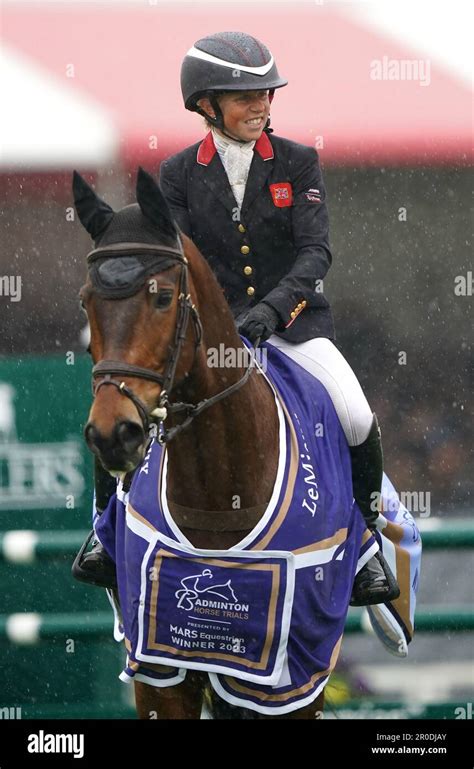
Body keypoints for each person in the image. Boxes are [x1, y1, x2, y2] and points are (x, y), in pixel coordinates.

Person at [75, 31, 399, 606]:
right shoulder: (176, 175)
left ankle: (367, 543)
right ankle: (104, 533)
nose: (262, 106)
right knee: (128, 402)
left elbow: (314, 254)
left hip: (294, 326)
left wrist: (272, 311)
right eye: (246, 97)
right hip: (208, 332)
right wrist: (219, 319)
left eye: (268, 95)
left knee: (355, 414)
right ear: (207, 105)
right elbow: (176, 260)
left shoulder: (298, 163)